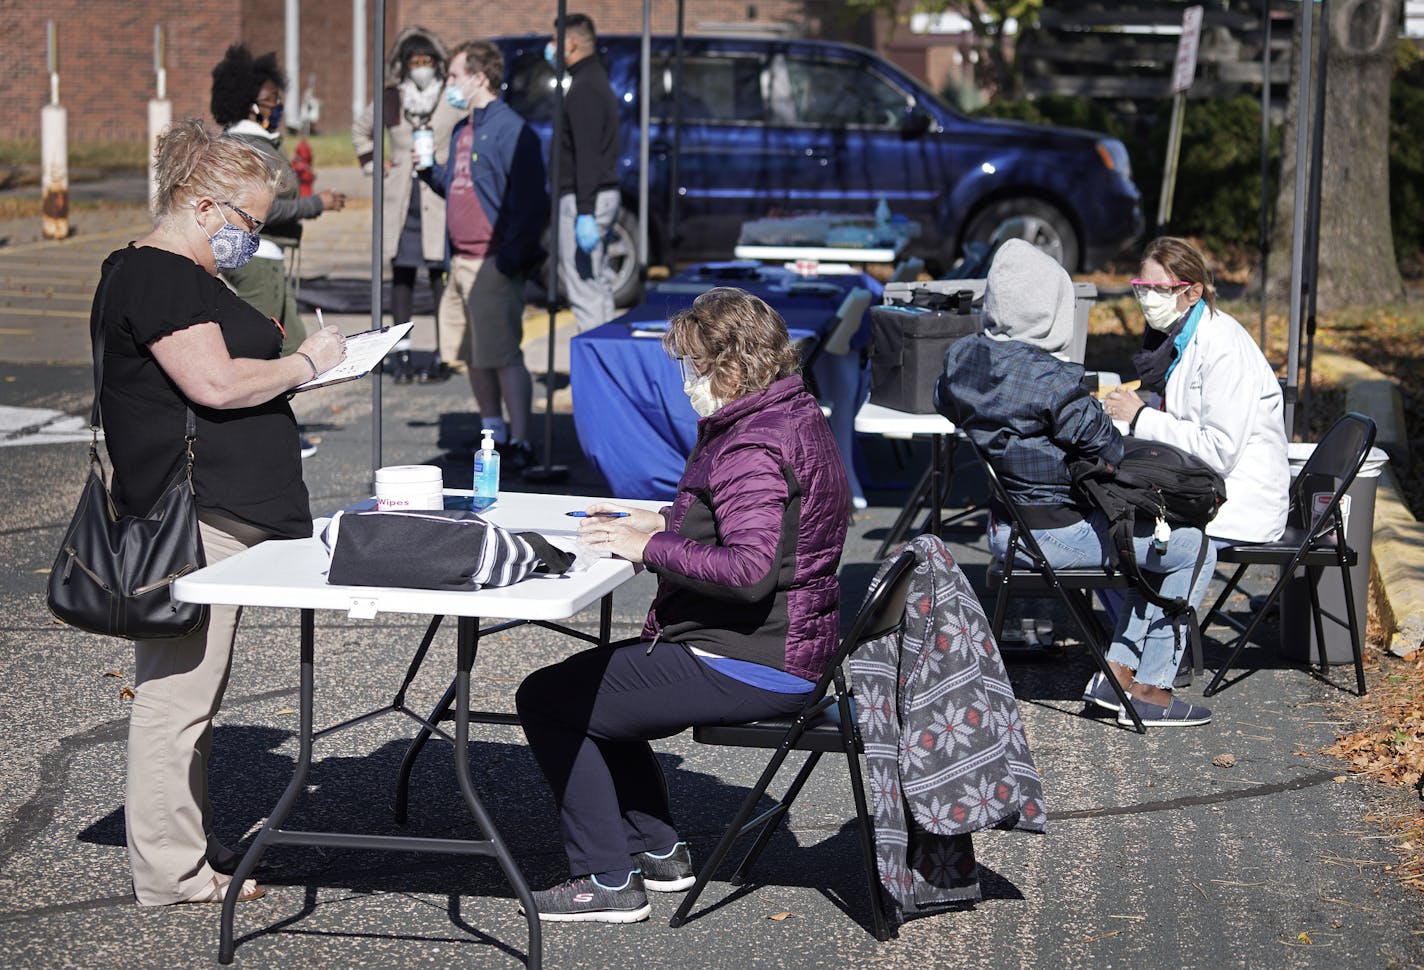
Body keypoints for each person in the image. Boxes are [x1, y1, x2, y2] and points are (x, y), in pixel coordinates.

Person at [515, 287, 850, 922]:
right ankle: (660, 852)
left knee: (552, 700)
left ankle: (606, 882)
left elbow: (750, 571)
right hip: (782, 645)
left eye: (694, 364)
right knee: (599, 689)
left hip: (756, 658)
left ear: (729, 366)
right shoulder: (790, 413)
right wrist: (666, 518)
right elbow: (757, 529)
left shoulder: (752, 444)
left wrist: (650, 547)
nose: (687, 379)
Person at [100, 119, 346, 905]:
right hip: (196, 516)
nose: (253, 235)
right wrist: (307, 364)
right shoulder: (160, 276)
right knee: (177, 697)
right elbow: (214, 386)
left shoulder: (183, 276)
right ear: (203, 205)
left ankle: (186, 857)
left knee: (192, 697)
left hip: (222, 513)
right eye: (248, 220)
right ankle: (170, 873)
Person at [935, 239, 1216, 728]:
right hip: (1056, 538)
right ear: (1052, 310)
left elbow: (947, 399)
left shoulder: (962, 361)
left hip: (1006, 529)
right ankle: (1150, 688)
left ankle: (1118, 675)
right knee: (1191, 546)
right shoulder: (1053, 383)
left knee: (1144, 541)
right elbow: (1106, 447)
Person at [1103, 236, 1289, 545]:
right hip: (1193, 489)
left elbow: (1219, 450)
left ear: (1193, 293)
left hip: (1237, 506)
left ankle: (1172, 595)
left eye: (1160, 290)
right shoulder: (1169, 339)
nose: (1148, 298)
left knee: (1123, 543)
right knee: (1110, 525)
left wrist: (1140, 417)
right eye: (1142, 288)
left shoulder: (1223, 346)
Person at [211, 44, 345, 456]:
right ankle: (261, 432)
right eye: (271, 99)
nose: (279, 105)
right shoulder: (247, 146)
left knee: (294, 340)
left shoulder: (257, 141)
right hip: (257, 257)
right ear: (248, 104)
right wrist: (315, 203)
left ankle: (277, 426)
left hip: (268, 257)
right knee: (264, 347)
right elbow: (264, 209)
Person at [419, 40, 546, 470]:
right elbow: (456, 187)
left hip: (492, 261)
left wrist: (510, 258)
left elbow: (531, 203)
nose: (448, 85)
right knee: (473, 353)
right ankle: (494, 430)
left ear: (480, 77)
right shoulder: (462, 128)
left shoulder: (512, 130)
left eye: (454, 76)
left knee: (502, 353)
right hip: (459, 261)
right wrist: (428, 171)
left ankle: (523, 440)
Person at [351, 27, 463, 383]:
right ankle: (400, 354)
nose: (421, 67)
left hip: (438, 198)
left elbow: (466, 134)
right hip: (401, 200)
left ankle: (446, 353)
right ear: (404, 65)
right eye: (415, 62)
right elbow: (360, 130)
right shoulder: (391, 98)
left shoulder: (451, 98)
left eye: (427, 61)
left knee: (439, 277)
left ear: (437, 65)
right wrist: (374, 162)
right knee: (402, 277)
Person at [551, 12, 621, 332]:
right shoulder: (593, 80)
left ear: (572, 42)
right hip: (596, 196)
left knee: (585, 290)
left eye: (555, 40)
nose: (551, 47)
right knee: (597, 283)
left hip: (586, 199)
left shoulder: (584, 88)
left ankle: (596, 368)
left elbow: (587, 154)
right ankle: (605, 362)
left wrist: (585, 211)